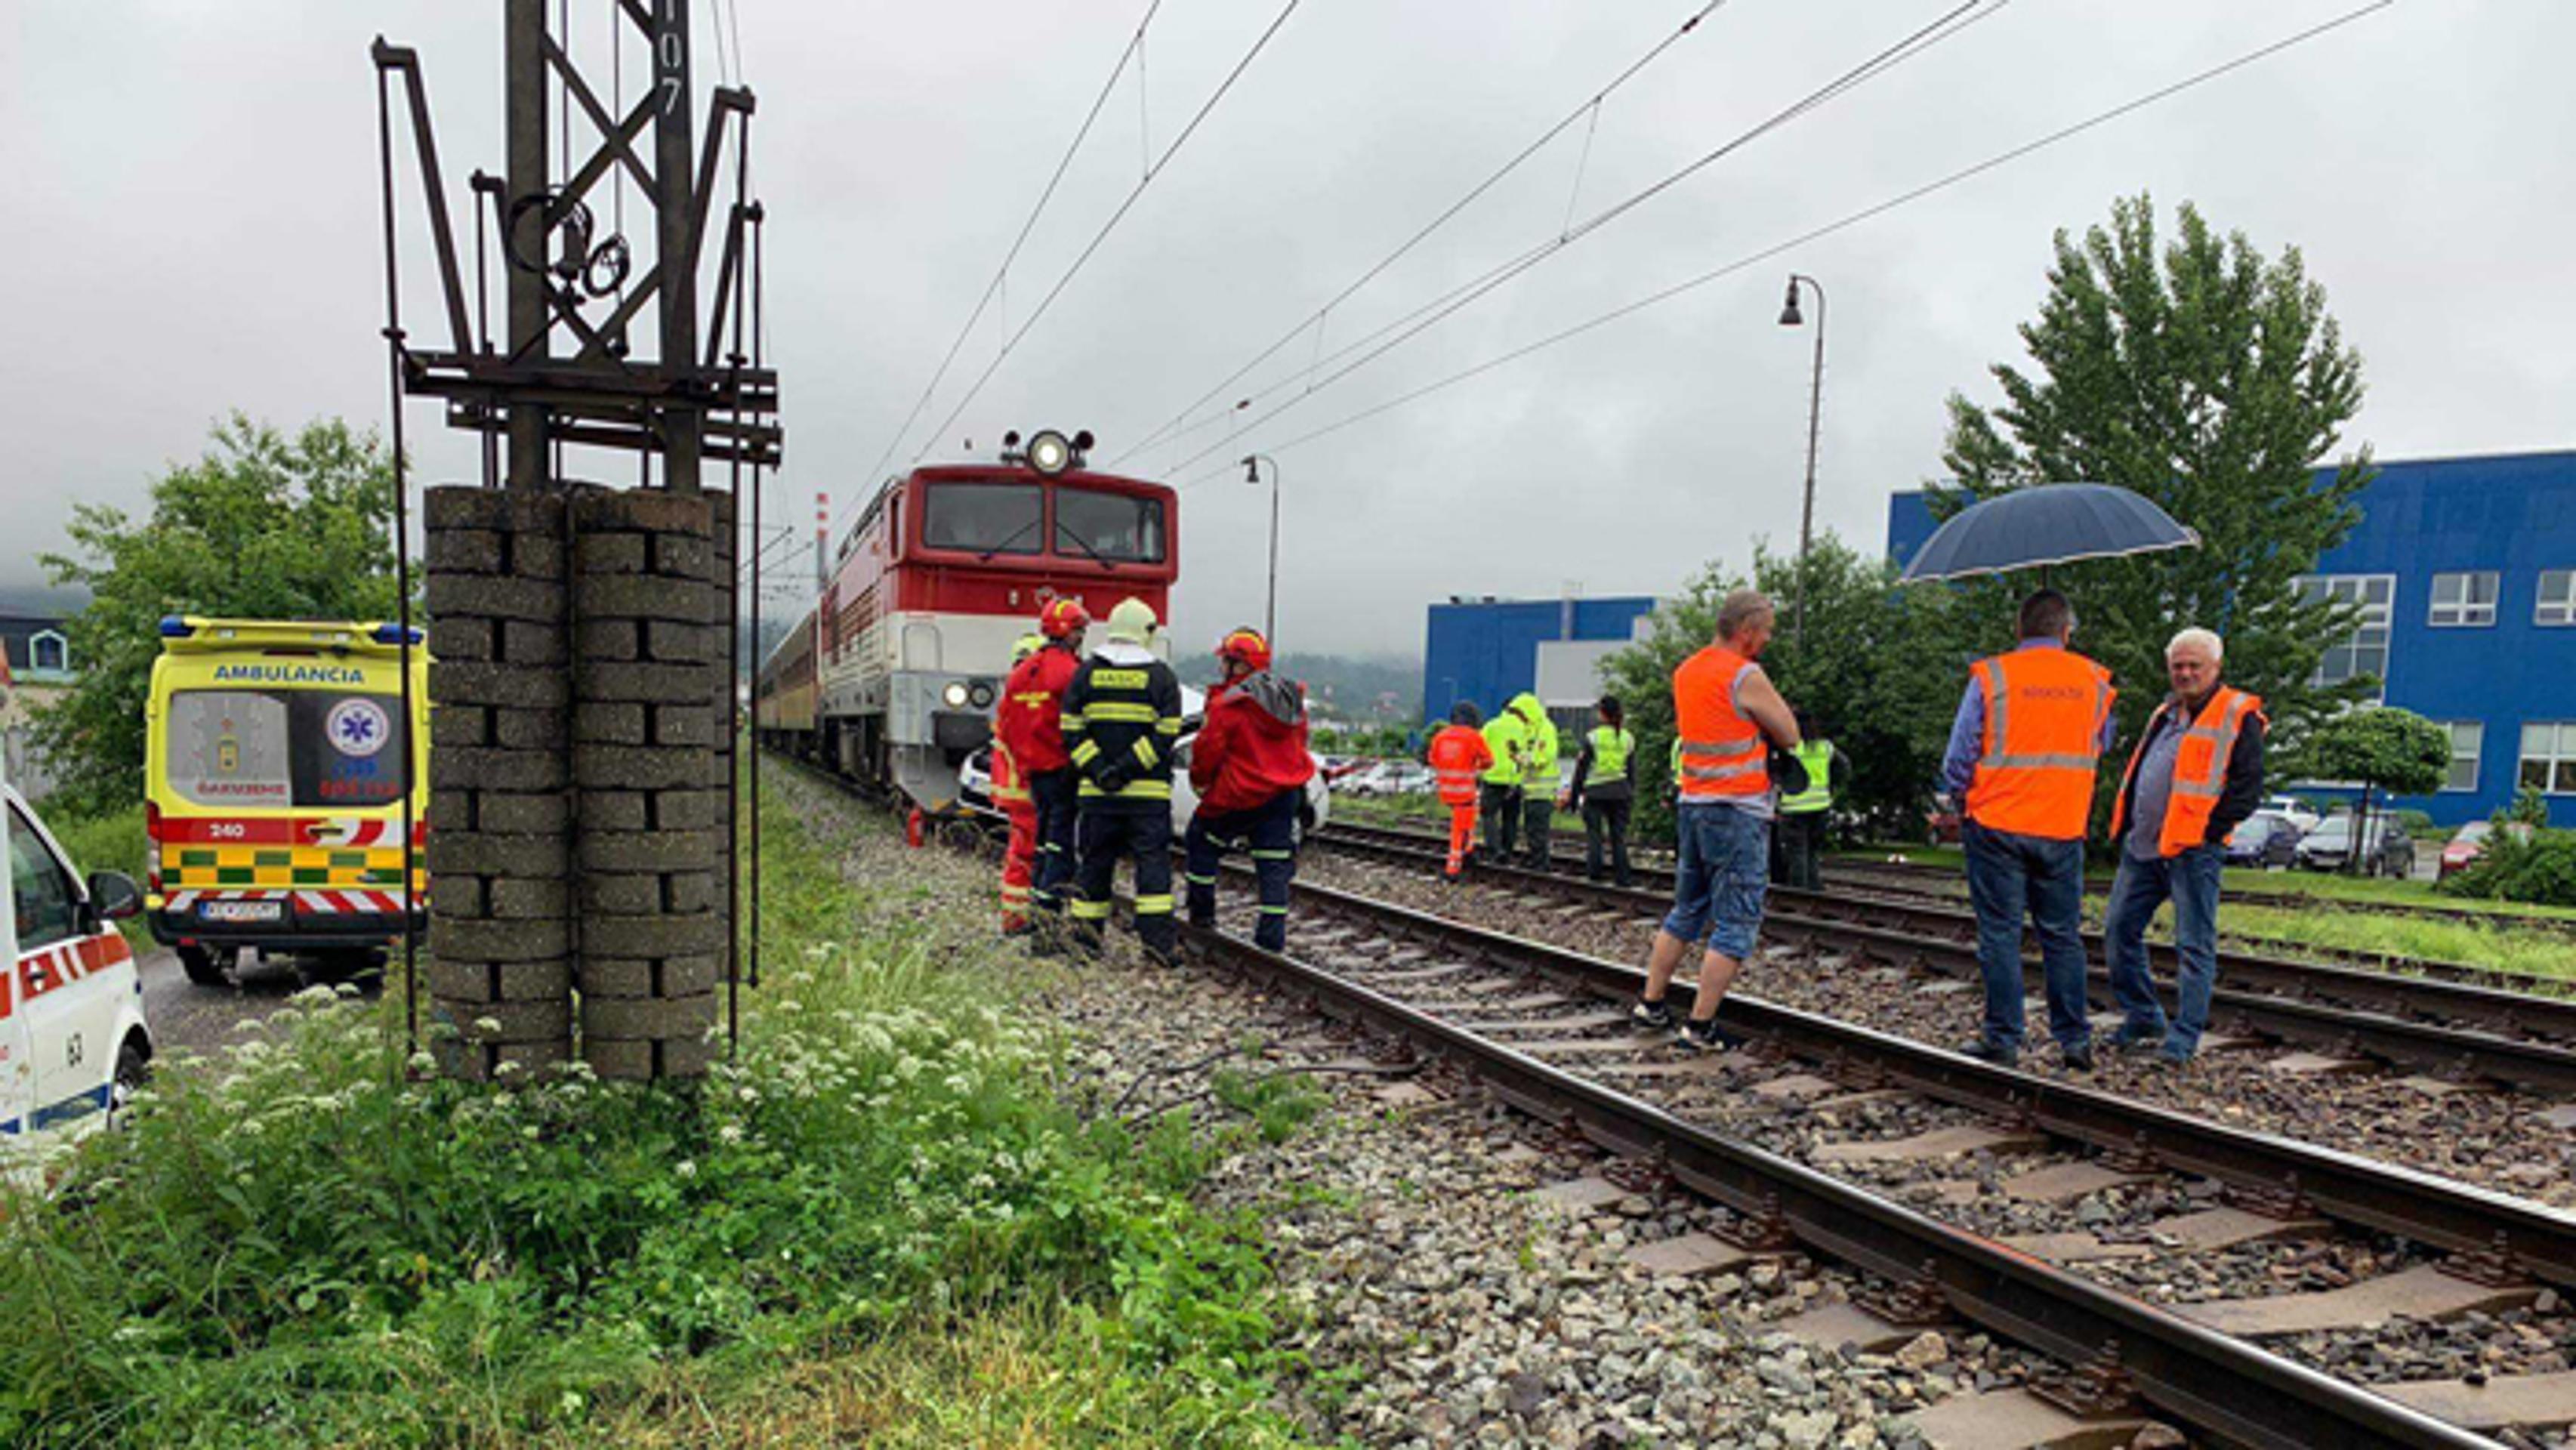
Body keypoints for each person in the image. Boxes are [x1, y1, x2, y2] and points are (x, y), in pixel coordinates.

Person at [1941, 588, 2116, 1071]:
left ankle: (2003, 1037)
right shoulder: (2095, 680)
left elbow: (1959, 758)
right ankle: (2074, 1040)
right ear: (2067, 631)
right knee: (2061, 935)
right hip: (2062, 825)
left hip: (1997, 823)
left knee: (2000, 934)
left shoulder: (1992, 675)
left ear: (2019, 630)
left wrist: (1964, 802)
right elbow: (2102, 741)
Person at [1631, 589, 1804, 1051]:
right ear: (1746, 632)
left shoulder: (1687, 670)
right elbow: (1789, 732)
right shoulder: (1745, 674)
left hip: (1694, 805)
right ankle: (1701, 1026)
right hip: (1738, 810)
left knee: (1687, 907)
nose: (1767, 639)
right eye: (1765, 631)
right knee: (1737, 919)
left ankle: (1651, 1003)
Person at [2102, 628, 2265, 1065]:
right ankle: (2143, 1016)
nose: (2185, 673)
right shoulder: (2166, 712)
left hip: (2193, 851)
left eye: (2194, 666)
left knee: (2194, 945)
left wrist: (2209, 830)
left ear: (2216, 668)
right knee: (2118, 932)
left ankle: (2184, 1037)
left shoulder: (2236, 714)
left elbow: (2248, 788)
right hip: (2143, 847)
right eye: (2178, 666)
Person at [1063, 597, 1185, 964]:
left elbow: (1071, 729)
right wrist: (1129, 768)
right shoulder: (1162, 677)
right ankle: (1158, 947)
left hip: (1097, 797)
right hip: (1147, 798)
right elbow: (1167, 733)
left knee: (1094, 867)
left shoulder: (1084, 674)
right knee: (1152, 872)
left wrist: (1101, 770)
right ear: (1147, 631)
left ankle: (1085, 943)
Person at [1186, 627, 1316, 952]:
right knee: (1273, 864)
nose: (1222, 669)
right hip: (1282, 796)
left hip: (1236, 796)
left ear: (1237, 665)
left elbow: (1208, 750)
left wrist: (1201, 783)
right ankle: (1271, 939)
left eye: (1226, 662)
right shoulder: (1292, 700)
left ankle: (1201, 917)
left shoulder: (1228, 704)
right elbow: (1301, 743)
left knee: (1200, 843)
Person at [998, 598, 1088, 947]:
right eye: (1079, 629)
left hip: (1033, 771)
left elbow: (1006, 724)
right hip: (1063, 771)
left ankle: (1037, 913)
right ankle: (1048, 922)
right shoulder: (1072, 672)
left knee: (1041, 844)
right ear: (1067, 632)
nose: (1082, 635)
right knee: (1059, 845)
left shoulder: (1022, 672)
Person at [987, 631, 1048, 935]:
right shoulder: (1028, 700)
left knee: (1022, 853)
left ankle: (1017, 916)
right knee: (1031, 853)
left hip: (1015, 789)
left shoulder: (1011, 696)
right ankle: (1022, 919)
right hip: (1027, 789)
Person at [1563, 695, 1636, 887]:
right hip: (1620, 791)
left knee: (1595, 835)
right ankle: (1623, 877)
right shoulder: (1628, 738)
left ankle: (1595, 873)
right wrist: (1631, 794)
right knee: (1618, 837)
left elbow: (1581, 771)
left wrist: (1573, 798)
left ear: (1602, 714)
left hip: (1596, 792)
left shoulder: (1593, 737)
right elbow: (1631, 771)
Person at [1769, 711, 1845, 891]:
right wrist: (1832, 788)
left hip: (1794, 808)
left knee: (1797, 852)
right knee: (1812, 850)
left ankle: (1799, 891)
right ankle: (1815, 886)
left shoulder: (1790, 748)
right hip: (1821, 806)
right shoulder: (1825, 747)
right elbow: (1844, 767)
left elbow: (1775, 772)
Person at [1426, 702, 1495, 881]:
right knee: (1461, 830)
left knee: (1466, 824)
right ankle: (1454, 868)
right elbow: (1489, 761)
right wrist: (1475, 767)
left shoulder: (1440, 736)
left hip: (1446, 791)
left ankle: (1469, 854)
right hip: (1464, 792)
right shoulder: (1473, 737)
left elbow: (1432, 760)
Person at [1507, 693, 1560, 869]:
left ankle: (1540, 862)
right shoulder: (1530, 730)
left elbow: (1542, 757)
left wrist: (1521, 758)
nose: (1519, 718)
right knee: (1531, 828)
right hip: (1532, 789)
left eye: (1520, 714)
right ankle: (1536, 859)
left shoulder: (1545, 729)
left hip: (1543, 790)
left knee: (1538, 829)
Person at [1478, 693, 1527, 862]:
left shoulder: (1491, 726)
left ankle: (1495, 849)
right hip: (1515, 779)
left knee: (1489, 815)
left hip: (1493, 778)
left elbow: (1480, 748)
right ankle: (1508, 849)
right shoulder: (1524, 728)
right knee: (1511, 818)